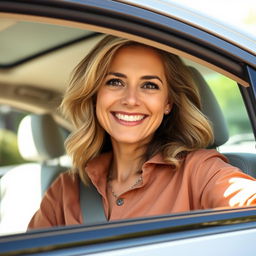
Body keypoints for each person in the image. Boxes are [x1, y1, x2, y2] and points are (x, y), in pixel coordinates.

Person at [28, 35, 256, 229]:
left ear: (168, 103)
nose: (131, 100)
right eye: (115, 82)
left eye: (149, 85)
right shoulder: (65, 189)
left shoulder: (200, 171)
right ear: (95, 94)